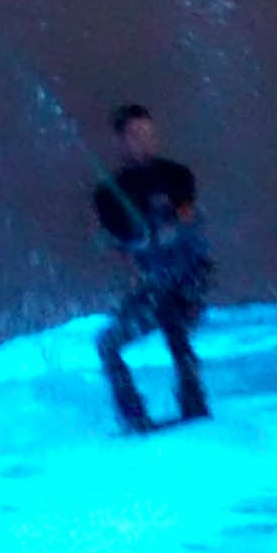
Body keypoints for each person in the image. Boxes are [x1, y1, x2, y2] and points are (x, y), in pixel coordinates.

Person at [93, 104, 212, 432]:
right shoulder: (107, 193)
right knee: (107, 344)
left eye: (148, 133)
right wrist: (131, 241)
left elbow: (189, 220)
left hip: (190, 277)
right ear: (121, 141)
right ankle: (134, 418)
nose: (143, 141)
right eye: (135, 135)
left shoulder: (178, 177)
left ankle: (195, 404)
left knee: (172, 314)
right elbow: (117, 242)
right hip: (155, 282)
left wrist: (162, 232)